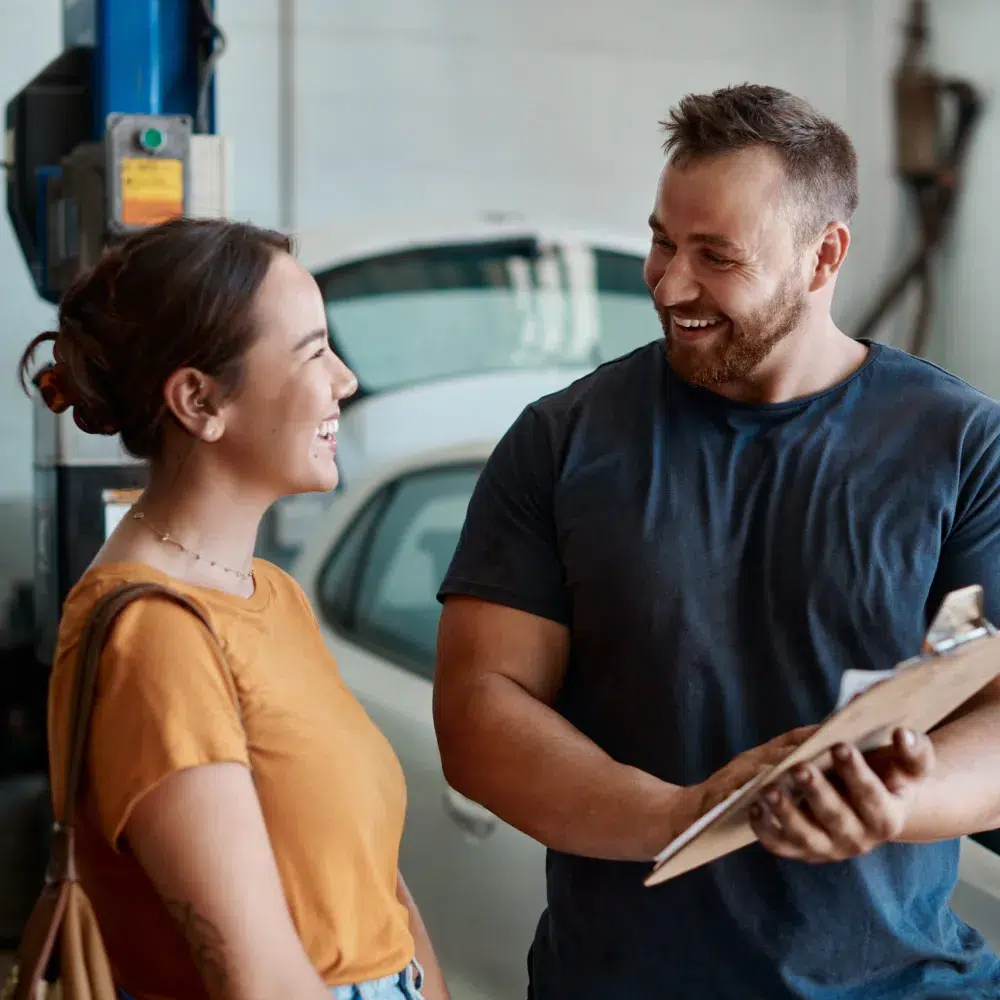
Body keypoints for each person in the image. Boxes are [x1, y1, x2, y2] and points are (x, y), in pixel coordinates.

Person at [433, 84, 1000, 999]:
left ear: (824, 258)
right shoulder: (562, 440)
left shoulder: (965, 448)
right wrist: (685, 816)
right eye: (662, 240)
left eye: (715, 255)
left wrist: (897, 805)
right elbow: (477, 713)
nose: (669, 282)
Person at [17, 218, 448, 1000]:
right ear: (197, 400)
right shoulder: (155, 635)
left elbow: (371, 885)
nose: (345, 381)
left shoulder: (267, 594)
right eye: (313, 352)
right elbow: (260, 981)